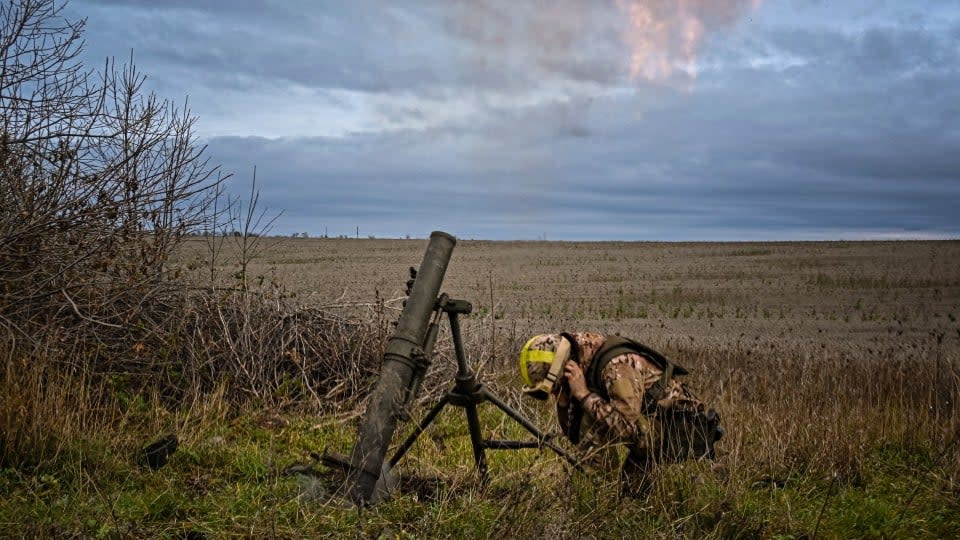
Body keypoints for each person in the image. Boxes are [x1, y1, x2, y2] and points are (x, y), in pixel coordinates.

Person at [518, 332, 722, 496]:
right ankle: (612, 499)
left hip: (679, 432)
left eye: (558, 385)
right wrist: (563, 403)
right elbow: (575, 436)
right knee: (633, 495)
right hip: (650, 428)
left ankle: (601, 497)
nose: (558, 389)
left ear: (567, 366)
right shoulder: (583, 359)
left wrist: (584, 395)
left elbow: (628, 429)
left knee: (593, 415)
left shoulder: (616, 367)